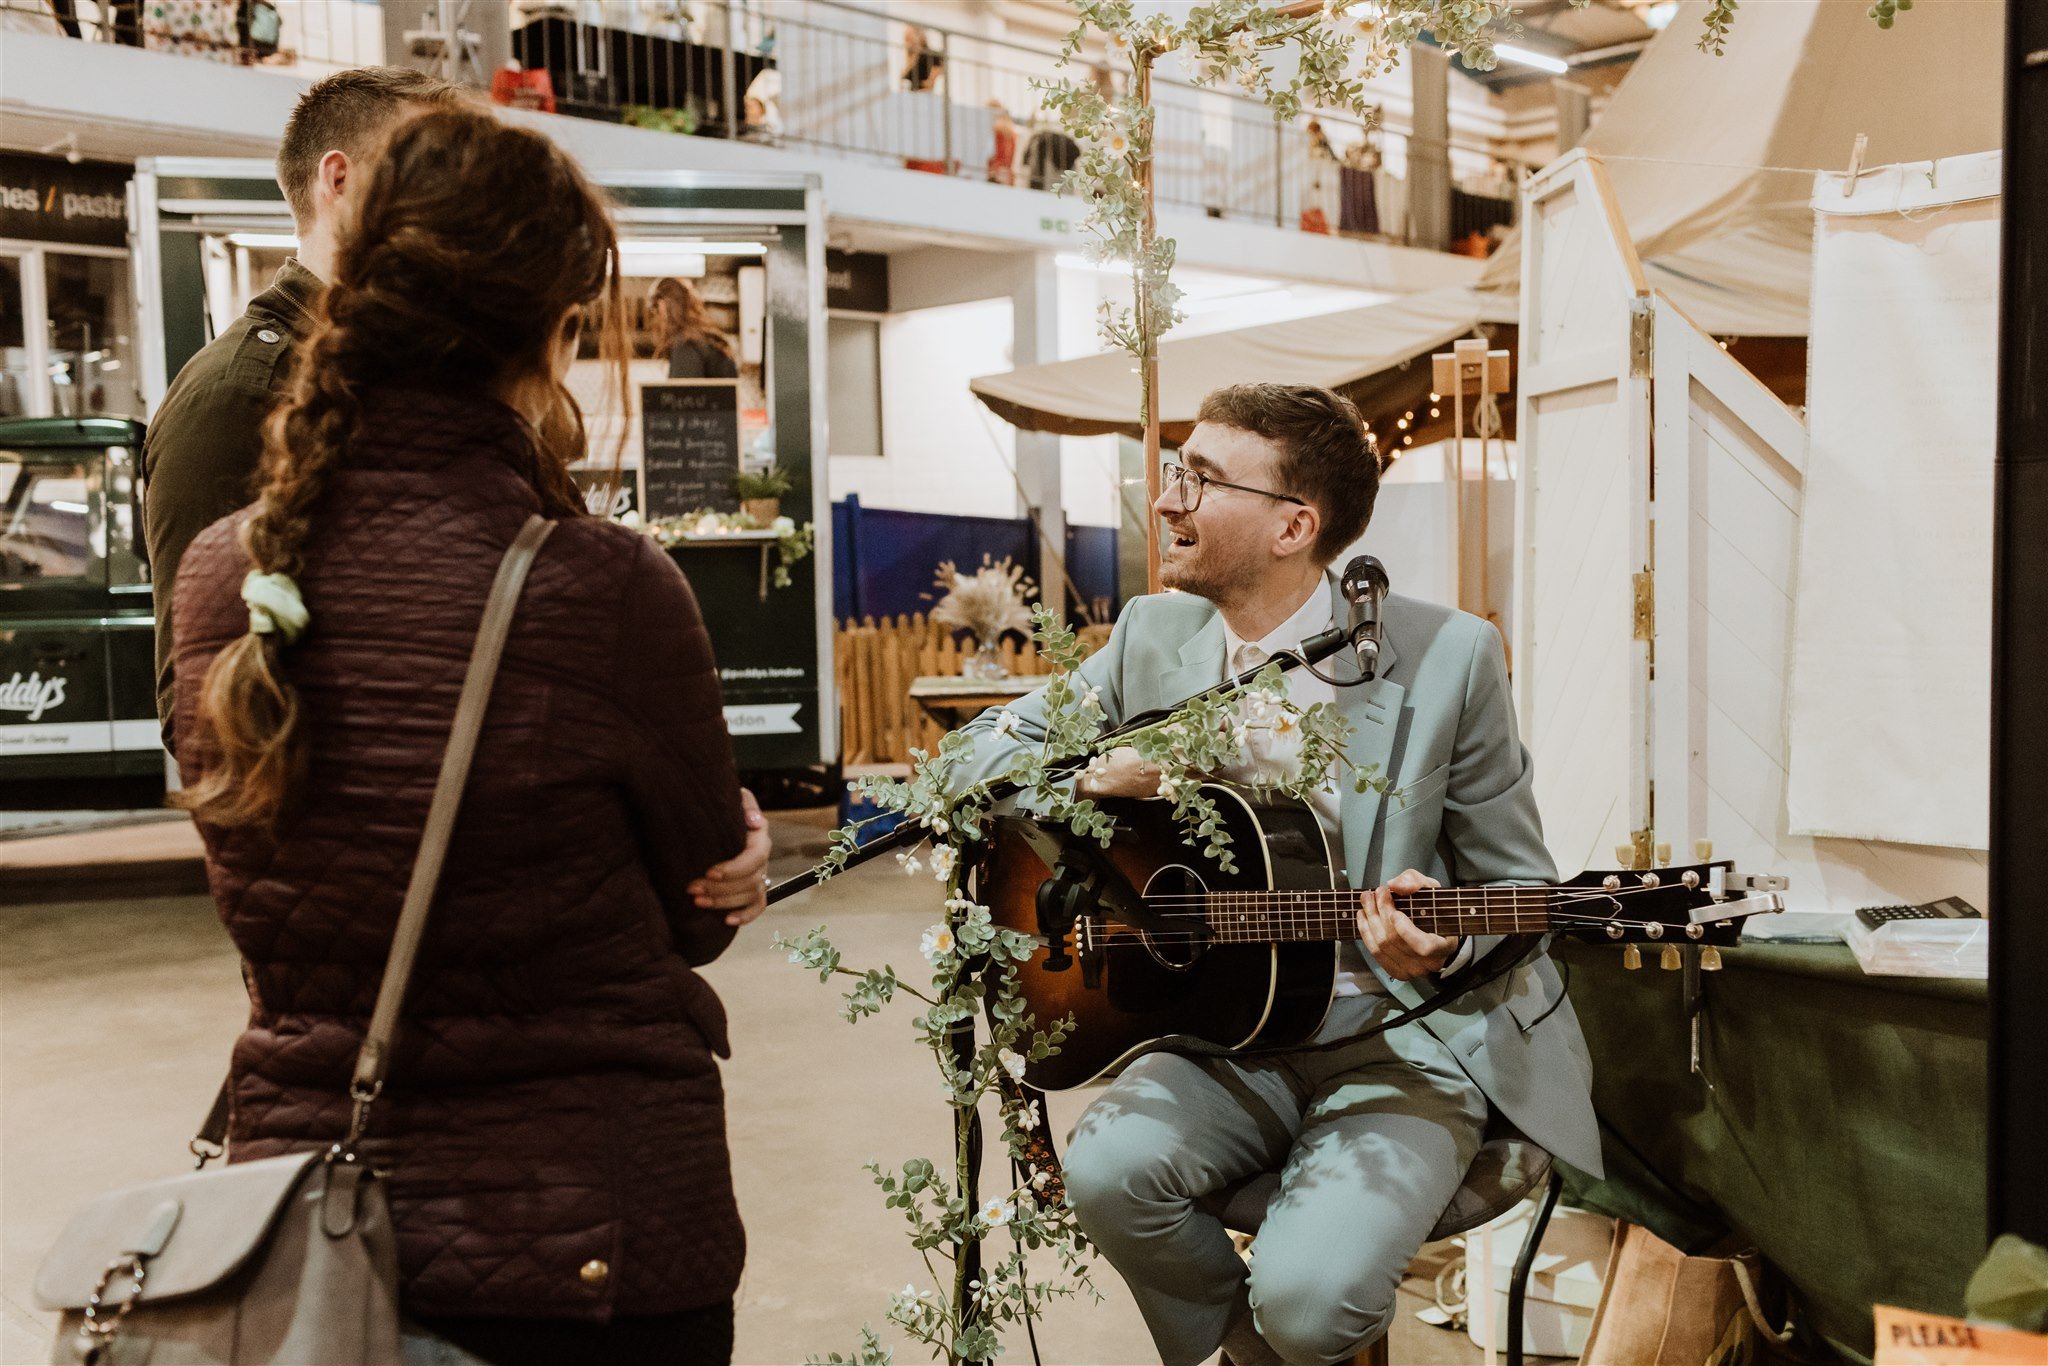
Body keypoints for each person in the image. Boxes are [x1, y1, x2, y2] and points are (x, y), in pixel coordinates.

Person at [169, 105, 771, 1366]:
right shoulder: (603, 585)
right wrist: (742, 862)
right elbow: (697, 910)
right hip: (589, 1232)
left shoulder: (227, 572)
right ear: (555, 331)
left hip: (308, 1223)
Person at [955, 384, 1600, 1366]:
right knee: (1108, 1171)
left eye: (1198, 479)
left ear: (1293, 525)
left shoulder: (1446, 658)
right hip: (1215, 1032)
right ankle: (1239, 1353)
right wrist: (1091, 772)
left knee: (1310, 1302)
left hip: (1398, 1036)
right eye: (1174, 472)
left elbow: (1520, 888)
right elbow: (964, 761)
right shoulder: (1150, 640)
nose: (1163, 500)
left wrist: (1442, 936)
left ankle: (1279, 1340)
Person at [143, 66, 461, 745]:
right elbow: (201, 710)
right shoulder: (235, 395)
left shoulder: (402, 366)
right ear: (339, 180)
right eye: (431, 173)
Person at [649, 277, 739, 379]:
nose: (654, 323)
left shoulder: (686, 344)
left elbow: (684, 393)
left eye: (654, 313)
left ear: (662, 306)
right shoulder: (707, 338)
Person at [900, 24, 942, 92]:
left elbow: (931, 82)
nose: (906, 43)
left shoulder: (930, 55)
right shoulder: (910, 59)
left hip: (923, 96)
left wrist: (929, 84)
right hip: (910, 96)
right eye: (906, 39)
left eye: (909, 38)